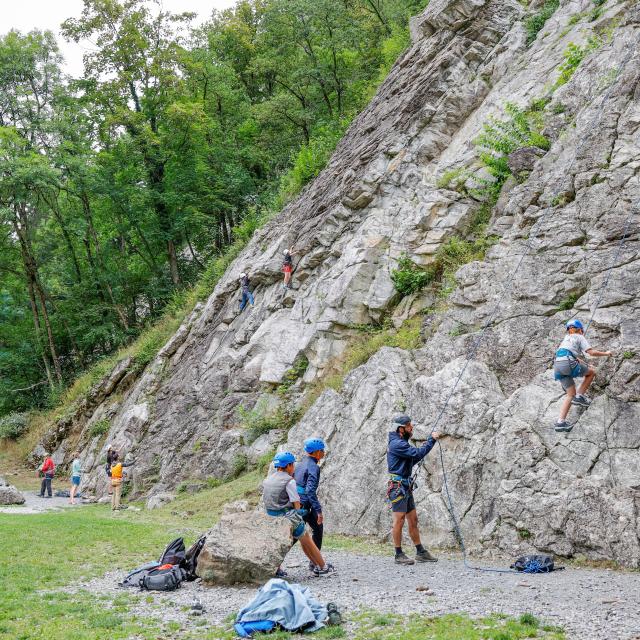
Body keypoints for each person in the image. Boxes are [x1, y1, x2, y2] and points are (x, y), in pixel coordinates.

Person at [263, 451, 334, 576]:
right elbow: (296, 502)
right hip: (286, 516)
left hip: (271, 516)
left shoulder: (268, 479)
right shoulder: (289, 481)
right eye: (293, 465)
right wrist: (299, 514)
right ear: (289, 465)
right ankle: (323, 567)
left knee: (280, 543)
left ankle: (276, 569)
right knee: (306, 538)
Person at [387, 415, 442, 565]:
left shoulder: (401, 443)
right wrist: (431, 441)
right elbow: (416, 454)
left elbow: (413, 458)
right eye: (409, 426)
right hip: (398, 488)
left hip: (405, 486)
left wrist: (425, 447)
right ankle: (398, 554)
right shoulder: (397, 444)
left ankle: (420, 552)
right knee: (399, 520)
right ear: (401, 429)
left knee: (413, 519)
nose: (411, 428)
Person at [553, 319, 612, 432]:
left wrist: (585, 364)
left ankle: (560, 422)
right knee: (591, 373)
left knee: (570, 395)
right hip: (568, 363)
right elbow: (591, 353)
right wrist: (606, 353)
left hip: (558, 366)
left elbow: (570, 355)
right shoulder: (580, 337)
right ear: (580, 329)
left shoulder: (566, 339)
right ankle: (580, 396)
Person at [294, 438, 326, 567]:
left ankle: (315, 563)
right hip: (304, 504)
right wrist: (318, 510)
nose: (324, 453)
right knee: (295, 535)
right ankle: (315, 564)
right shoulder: (313, 467)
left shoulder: (300, 464)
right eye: (322, 450)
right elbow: (310, 491)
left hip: (298, 503)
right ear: (317, 452)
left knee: (316, 529)